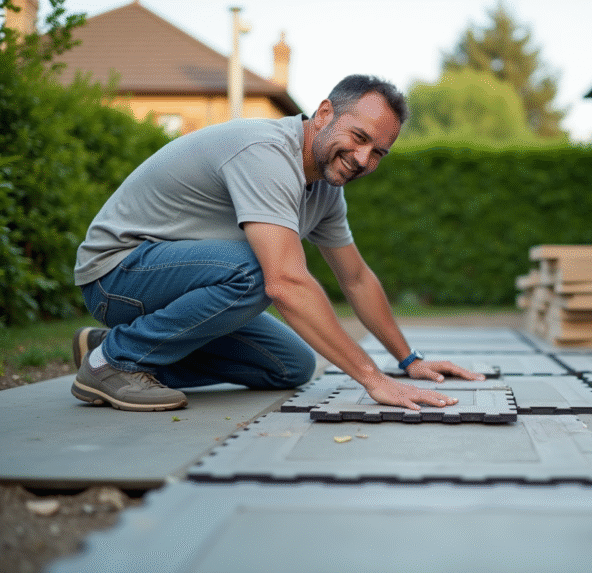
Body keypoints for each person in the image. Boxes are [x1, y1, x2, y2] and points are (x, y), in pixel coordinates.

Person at [71, 74, 484, 412]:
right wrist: (373, 379)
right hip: (117, 274)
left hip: (168, 285)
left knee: (290, 365)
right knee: (258, 269)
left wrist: (408, 361)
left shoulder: (324, 190)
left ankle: (114, 347)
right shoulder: (266, 153)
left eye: (378, 152)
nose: (362, 158)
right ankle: (115, 361)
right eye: (359, 137)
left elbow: (356, 278)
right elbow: (284, 282)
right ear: (325, 114)